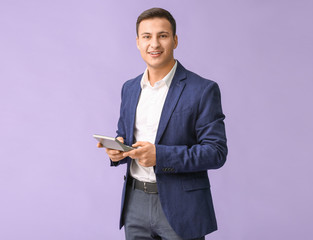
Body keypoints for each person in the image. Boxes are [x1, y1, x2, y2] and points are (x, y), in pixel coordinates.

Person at [97, 7, 227, 240]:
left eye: (163, 36)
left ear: (175, 40)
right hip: (135, 202)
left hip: (182, 206)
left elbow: (216, 153)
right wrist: (117, 149)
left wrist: (160, 155)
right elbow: (123, 134)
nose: (154, 44)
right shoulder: (129, 88)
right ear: (138, 42)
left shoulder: (203, 90)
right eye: (147, 36)